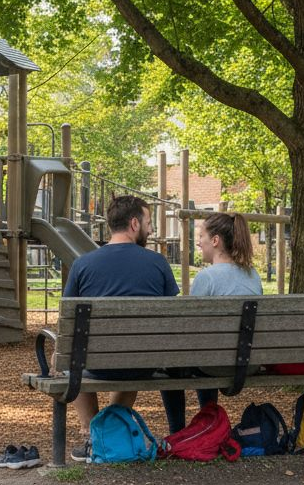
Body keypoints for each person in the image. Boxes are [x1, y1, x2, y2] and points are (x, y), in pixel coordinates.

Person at [64, 195, 178, 462]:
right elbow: (171, 318)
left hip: (95, 362)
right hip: (143, 363)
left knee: (74, 360)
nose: (150, 230)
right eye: (149, 223)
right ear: (135, 223)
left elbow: (67, 319)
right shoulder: (158, 263)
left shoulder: (82, 264)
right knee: (134, 352)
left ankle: (93, 434)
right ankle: (107, 430)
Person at [163, 211, 264, 433]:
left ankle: (177, 431)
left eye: (201, 237)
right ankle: (208, 423)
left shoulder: (206, 277)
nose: (198, 242)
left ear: (216, 241)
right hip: (248, 362)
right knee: (208, 350)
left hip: (212, 362)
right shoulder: (253, 275)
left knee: (169, 360)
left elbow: (188, 326)